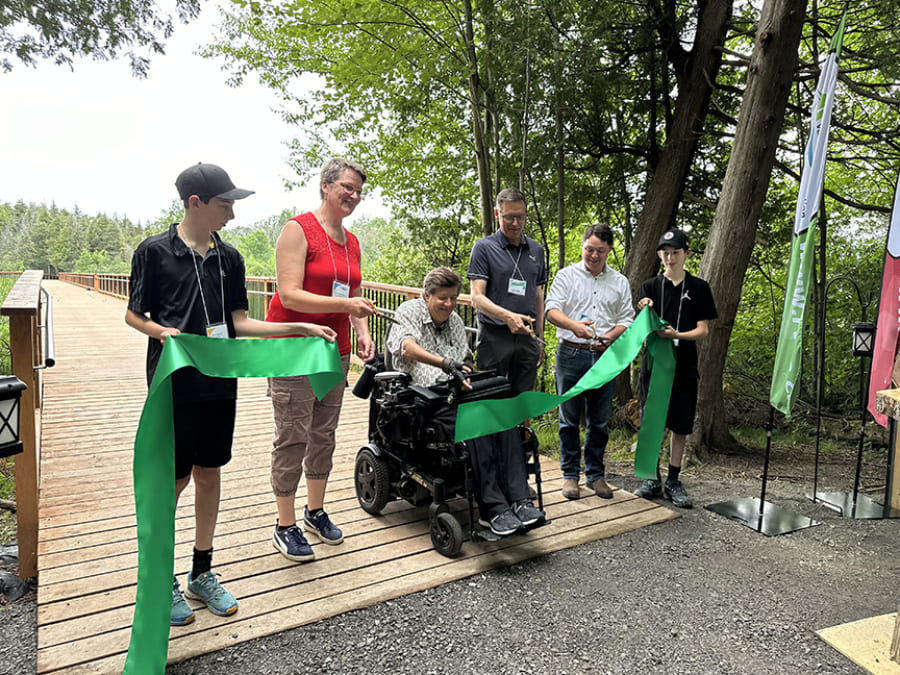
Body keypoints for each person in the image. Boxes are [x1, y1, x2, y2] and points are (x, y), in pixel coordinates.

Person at [125, 162, 337, 627]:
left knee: (210, 472)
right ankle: (162, 579)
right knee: (174, 480)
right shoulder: (153, 252)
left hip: (220, 383)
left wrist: (297, 326)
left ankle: (202, 571)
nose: (233, 215)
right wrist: (161, 332)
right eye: (226, 205)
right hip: (174, 382)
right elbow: (133, 315)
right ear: (195, 204)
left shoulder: (230, 259)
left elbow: (239, 321)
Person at [265, 157, 375, 563]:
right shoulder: (298, 230)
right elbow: (290, 294)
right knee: (292, 433)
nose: (354, 195)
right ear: (326, 186)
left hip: (336, 349)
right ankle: (285, 523)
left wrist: (361, 333)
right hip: (294, 346)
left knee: (323, 433)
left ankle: (315, 511)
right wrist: (346, 302)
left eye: (359, 190)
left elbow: (352, 297)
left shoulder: (352, 241)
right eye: (347, 186)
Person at [386, 267, 545, 536]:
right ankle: (492, 510)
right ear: (427, 296)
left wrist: (464, 371)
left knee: (501, 415)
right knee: (477, 422)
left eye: (453, 298)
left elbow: (466, 358)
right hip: (423, 398)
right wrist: (446, 365)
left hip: (457, 393)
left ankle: (519, 500)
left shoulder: (456, 321)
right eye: (442, 298)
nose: (448, 304)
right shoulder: (408, 312)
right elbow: (406, 348)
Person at [545, 224, 634, 500]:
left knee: (599, 420)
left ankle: (596, 475)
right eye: (589, 249)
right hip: (571, 354)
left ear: (609, 251)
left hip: (606, 357)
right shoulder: (566, 276)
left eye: (600, 251)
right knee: (569, 418)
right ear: (583, 247)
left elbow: (626, 320)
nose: (593, 255)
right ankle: (570, 476)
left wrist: (608, 337)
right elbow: (550, 310)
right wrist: (574, 326)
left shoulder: (619, 281)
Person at [634, 228, 717, 508]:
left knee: (681, 424)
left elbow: (703, 330)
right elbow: (642, 323)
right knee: (652, 421)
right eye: (665, 253)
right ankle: (651, 478)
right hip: (654, 365)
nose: (670, 258)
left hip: (683, 365)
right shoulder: (650, 286)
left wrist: (677, 336)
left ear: (687, 254)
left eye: (675, 252)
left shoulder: (700, 288)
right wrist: (644, 307)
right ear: (660, 254)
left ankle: (673, 479)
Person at [467, 188, 546, 395]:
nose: (515, 223)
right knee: (491, 397)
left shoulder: (537, 251)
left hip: (527, 335)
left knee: (524, 398)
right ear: (497, 214)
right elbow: (476, 297)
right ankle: (492, 430)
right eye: (509, 217)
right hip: (494, 335)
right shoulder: (484, 248)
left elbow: (538, 295)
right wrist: (507, 316)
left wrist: (540, 336)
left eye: (520, 217)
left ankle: (521, 430)